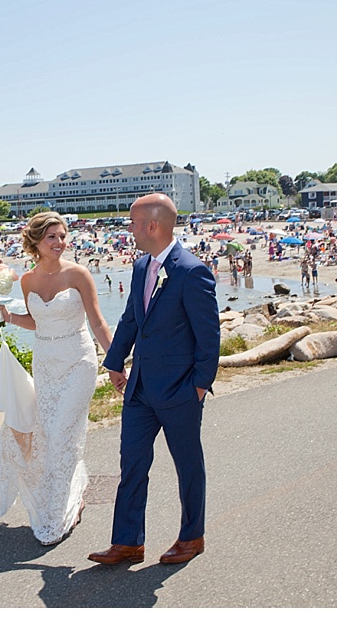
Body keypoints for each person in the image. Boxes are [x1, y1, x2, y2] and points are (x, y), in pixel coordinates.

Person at [89, 193, 220, 566]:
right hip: (140, 389)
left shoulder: (191, 271)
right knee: (131, 464)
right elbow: (132, 318)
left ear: (152, 226)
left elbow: (209, 338)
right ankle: (128, 542)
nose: (128, 230)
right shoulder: (140, 266)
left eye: (132, 223)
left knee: (187, 464)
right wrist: (115, 363)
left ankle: (192, 536)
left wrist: (197, 387)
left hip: (180, 390)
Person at [0, 211, 114, 546]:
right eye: (52, 238)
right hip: (44, 363)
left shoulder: (79, 274)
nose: (60, 243)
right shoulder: (27, 280)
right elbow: (36, 321)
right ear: (36, 243)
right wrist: (7, 316)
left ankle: (61, 511)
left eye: (62, 236)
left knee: (61, 435)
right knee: (48, 436)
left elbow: (99, 323)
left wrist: (115, 363)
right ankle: (71, 492)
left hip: (78, 361)